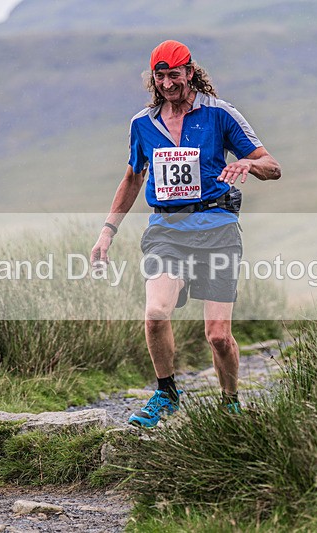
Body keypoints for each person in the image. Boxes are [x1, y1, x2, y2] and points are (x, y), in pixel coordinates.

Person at [90, 40, 281, 428]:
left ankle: (230, 404)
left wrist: (247, 164)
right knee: (155, 314)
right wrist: (107, 232)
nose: (167, 83)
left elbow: (272, 166)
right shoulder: (143, 123)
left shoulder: (220, 114)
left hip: (217, 228)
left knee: (218, 336)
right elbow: (132, 178)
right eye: (160, 76)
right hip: (167, 230)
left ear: (190, 72)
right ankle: (166, 393)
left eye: (174, 75)